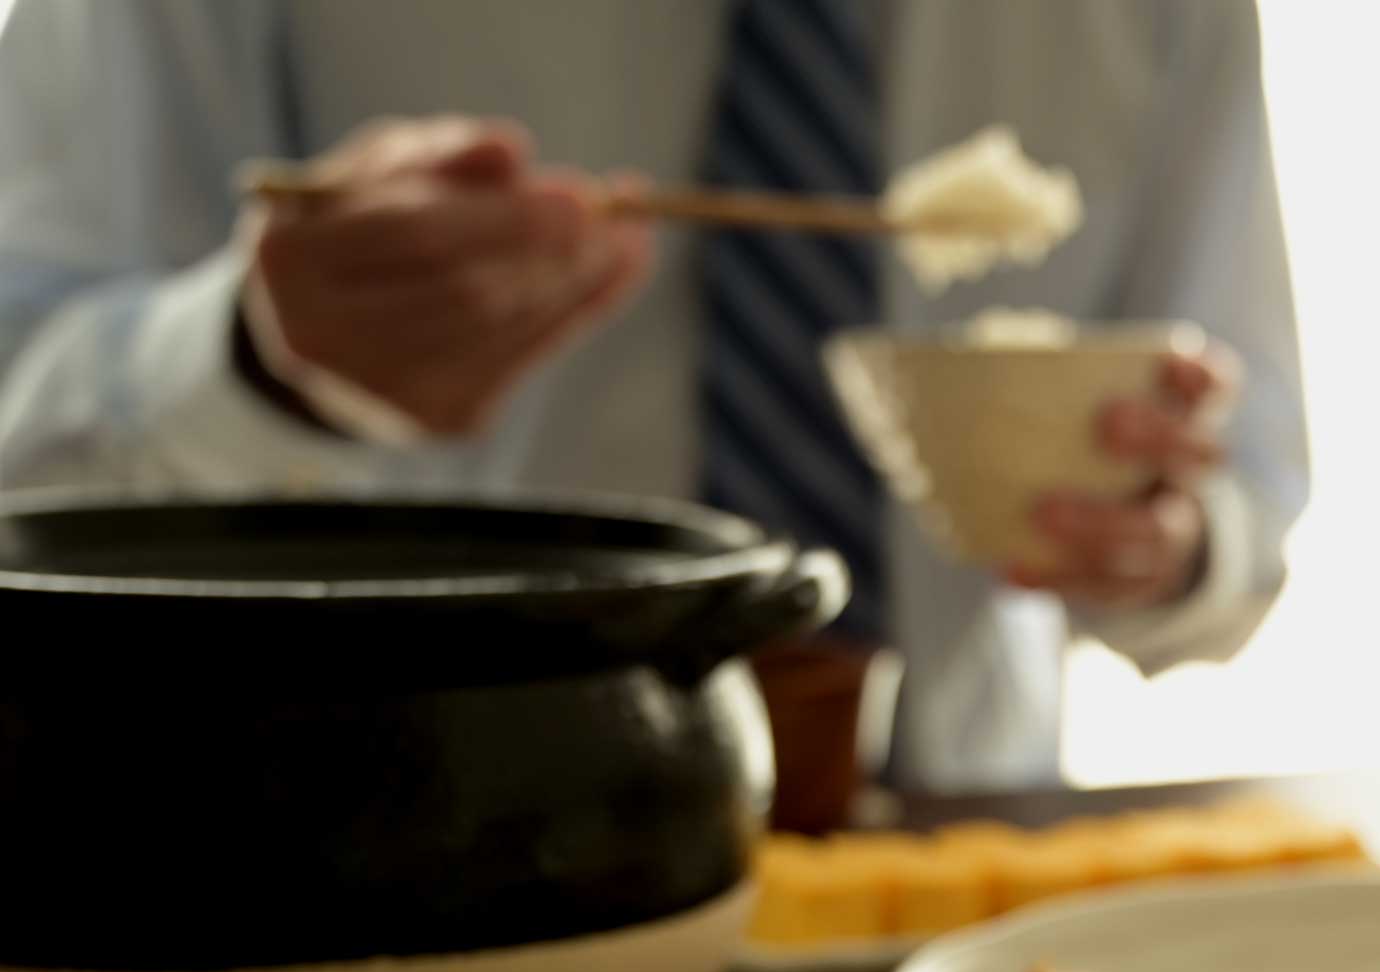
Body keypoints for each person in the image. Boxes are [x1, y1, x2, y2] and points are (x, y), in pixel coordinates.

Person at [0, 0, 1310, 791]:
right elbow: (24, 433)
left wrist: (1166, 538)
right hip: (394, 860)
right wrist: (260, 361)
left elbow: (1245, 503)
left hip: (949, 858)